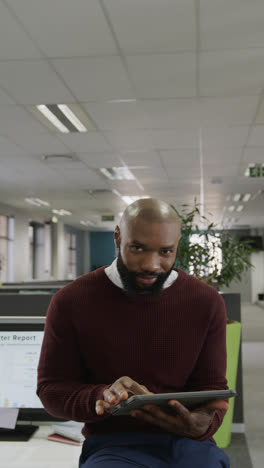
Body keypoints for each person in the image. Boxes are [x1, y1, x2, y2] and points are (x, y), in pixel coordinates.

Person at [37, 198, 230, 467]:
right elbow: (51, 390)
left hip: (189, 445)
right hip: (113, 444)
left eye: (165, 251)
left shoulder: (205, 301)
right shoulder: (71, 301)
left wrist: (203, 426)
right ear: (118, 237)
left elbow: (213, 389)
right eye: (138, 248)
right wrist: (102, 397)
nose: (152, 264)